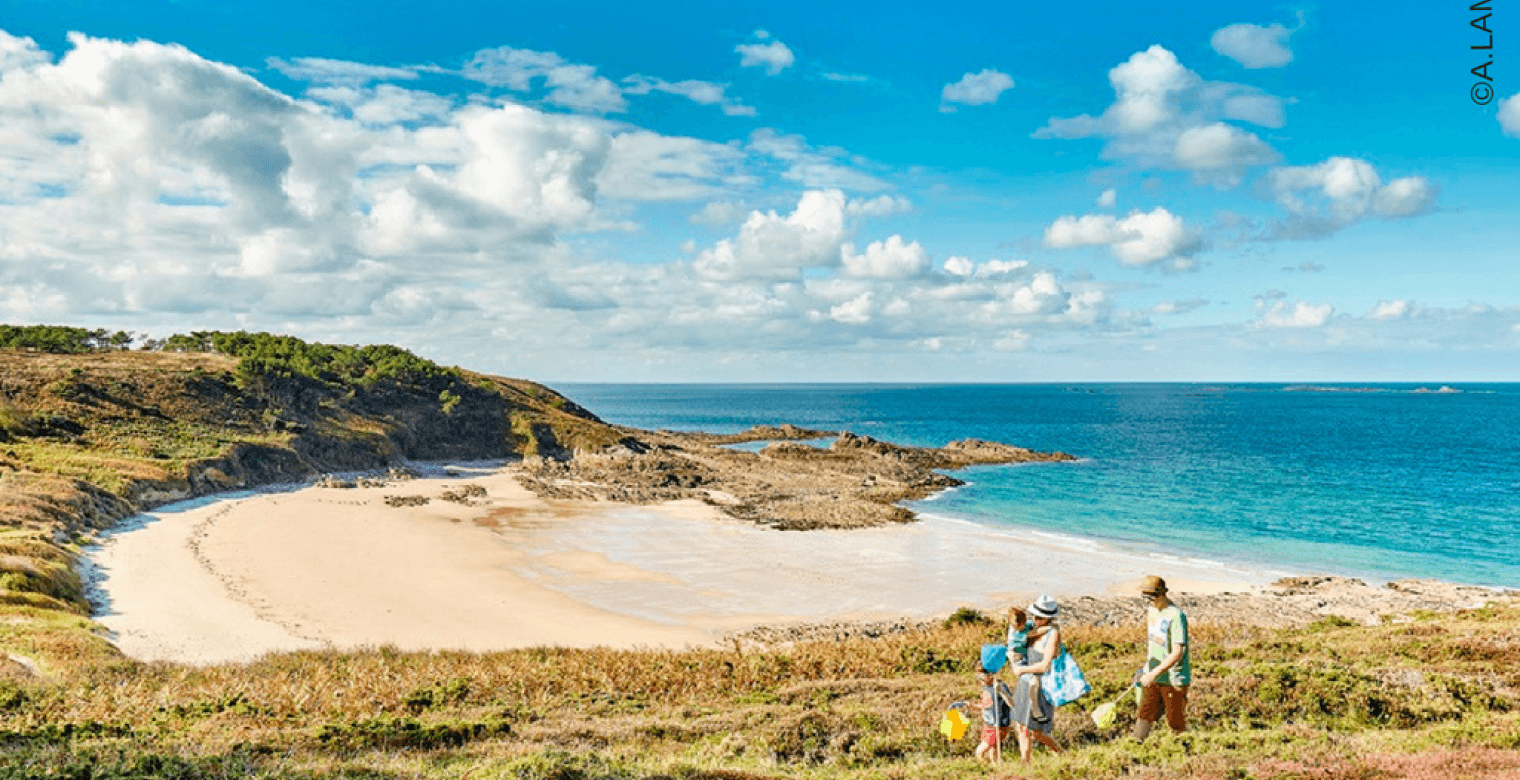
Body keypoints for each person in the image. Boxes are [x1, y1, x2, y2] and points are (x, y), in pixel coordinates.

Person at [1007, 595, 1064, 762]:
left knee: (1036, 731)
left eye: (1040, 617)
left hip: (1040, 685)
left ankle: (1060, 754)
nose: (1036, 620)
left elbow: (1045, 665)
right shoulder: (1029, 628)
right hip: (1025, 681)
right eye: (1035, 616)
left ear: (1049, 618)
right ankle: (1026, 763)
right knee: (1021, 727)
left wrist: (1020, 669)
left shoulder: (1052, 634)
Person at [1133, 575, 1190, 741]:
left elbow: (1177, 653)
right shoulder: (1151, 611)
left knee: (1175, 723)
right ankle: (1135, 749)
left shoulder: (1176, 616)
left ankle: (1185, 753)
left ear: (1161, 594)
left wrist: (1153, 673)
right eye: (1145, 597)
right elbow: (1153, 645)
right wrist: (1145, 670)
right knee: (1144, 714)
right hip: (1153, 675)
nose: (1148, 601)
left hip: (1173, 678)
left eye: (1150, 596)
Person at [968, 665, 1015, 764]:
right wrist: (973, 706)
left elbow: (1012, 704)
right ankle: (997, 771)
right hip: (988, 724)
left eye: (981, 677)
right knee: (993, 753)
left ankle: (983, 770)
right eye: (978, 677)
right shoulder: (986, 687)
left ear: (990, 675)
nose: (979, 680)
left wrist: (1001, 691)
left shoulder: (1000, 685)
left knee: (980, 752)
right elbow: (987, 704)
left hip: (998, 726)